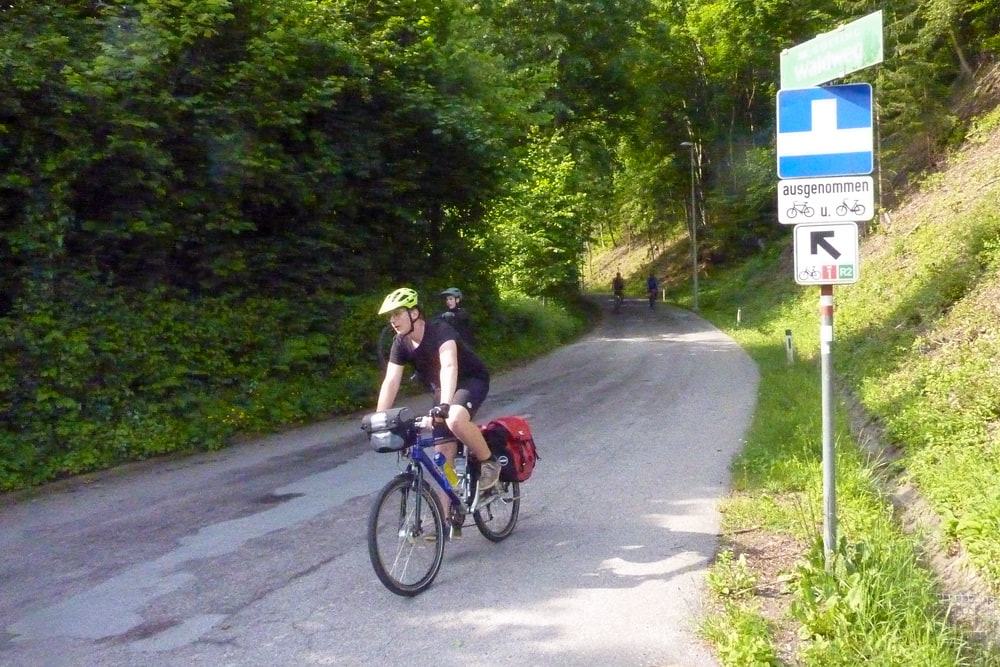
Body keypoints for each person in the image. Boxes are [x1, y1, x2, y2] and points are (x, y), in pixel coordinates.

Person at [376, 287, 501, 498]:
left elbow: (449, 366)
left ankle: (489, 462)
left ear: (414, 313)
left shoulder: (440, 331)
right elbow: (391, 381)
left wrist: (444, 406)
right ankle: (449, 512)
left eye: (397, 314)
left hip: (470, 380)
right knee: (443, 459)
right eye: (391, 316)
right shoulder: (400, 342)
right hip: (442, 389)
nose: (393, 320)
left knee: (455, 419)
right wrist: (380, 418)